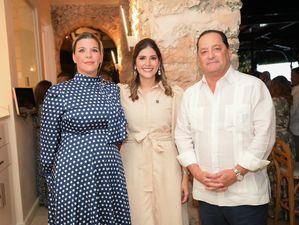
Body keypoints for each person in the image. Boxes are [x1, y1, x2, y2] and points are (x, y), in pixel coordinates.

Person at [175, 30, 276, 225]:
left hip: (246, 196)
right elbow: (182, 136)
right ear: (198, 58)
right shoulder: (191, 95)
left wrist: (237, 173)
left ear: (228, 52)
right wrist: (196, 172)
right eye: (204, 51)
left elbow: (265, 136)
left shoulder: (253, 87)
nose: (210, 55)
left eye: (216, 49)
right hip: (207, 196)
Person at [40, 32, 131, 225]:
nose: (88, 55)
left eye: (94, 50)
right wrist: (51, 177)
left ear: (100, 57)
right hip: (72, 172)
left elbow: (119, 132)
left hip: (108, 169)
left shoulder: (112, 90)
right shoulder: (58, 92)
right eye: (82, 50)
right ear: (74, 57)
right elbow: (48, 143)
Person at [119, 38, 189, 225]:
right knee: (137, 213)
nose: (147, 63)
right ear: (135, 63)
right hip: (133, 162)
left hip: (166, 163)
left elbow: (182, 138)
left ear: (159, 62)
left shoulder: (174, 94)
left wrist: (184, 177)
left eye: (152, 58)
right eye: (142, 58)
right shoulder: (121, 94)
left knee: (168, 214)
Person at [268, 75, 295, 219]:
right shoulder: (287, 100)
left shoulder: (272, 101)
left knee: (274, 173)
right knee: (285, 174)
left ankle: (275, 206)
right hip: (287, 139)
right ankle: (287, 206)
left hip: (276, 140)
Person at [33, 80, 52, 207]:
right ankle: (49, 199)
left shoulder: (37, 107)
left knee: (41, 168)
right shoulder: (48, 106)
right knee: (49, 169)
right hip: (47, 140)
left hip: (38, 140)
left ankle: (43, 198)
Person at [290, 67, 299, 162]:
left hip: (296, 128)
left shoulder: (298, 90)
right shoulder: (296, 89)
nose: (291, 78)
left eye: (294, 76)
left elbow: (294, 109)